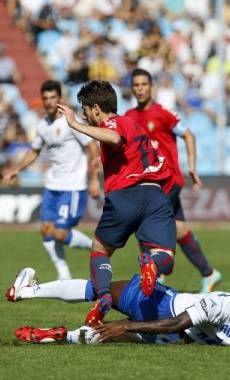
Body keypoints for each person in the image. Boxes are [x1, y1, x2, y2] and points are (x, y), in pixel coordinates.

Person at [7, 264, 230, 346]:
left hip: (162, 306)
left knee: (98, 287)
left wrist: (127, 323)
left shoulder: (220, 303)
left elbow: (175, 322)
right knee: (109, 336)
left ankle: (26, 291)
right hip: (173, 341)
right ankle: (64, 336)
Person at [55, 80, 176, 327]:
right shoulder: (135, 124)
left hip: (126, 195)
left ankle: (104, 297)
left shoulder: (114, 123)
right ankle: (152, 263)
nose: (85, 115)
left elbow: (113, 137)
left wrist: (75, 125)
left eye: (85, 110)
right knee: (166, 257)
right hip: (154, 195)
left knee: (100, 250)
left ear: (97, 109)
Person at [124, 68, 221, 293]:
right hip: (148, 182)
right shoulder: (129, 116)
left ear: (152, 87)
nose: (140, 89)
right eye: (136, 85)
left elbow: (188, 135)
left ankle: (155, 274)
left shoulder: (163, 114)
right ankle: (208, 273)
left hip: (168, 180)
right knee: (178, 228)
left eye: (144, 85)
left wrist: (193, 168)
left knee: (145, 222)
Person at [3, 80, 100, 281]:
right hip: (52, 185)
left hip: (73, 186)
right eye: (45, 98)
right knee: (46, 230)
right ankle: (63, 273)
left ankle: (96, 249)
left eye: (53, 97)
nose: (48, 102)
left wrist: (93, 179)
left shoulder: (70, 121)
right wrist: (16, 169)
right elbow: (34, 151)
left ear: (60, 98)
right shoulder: (42, 126)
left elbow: (92, 148)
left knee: (60, 234)